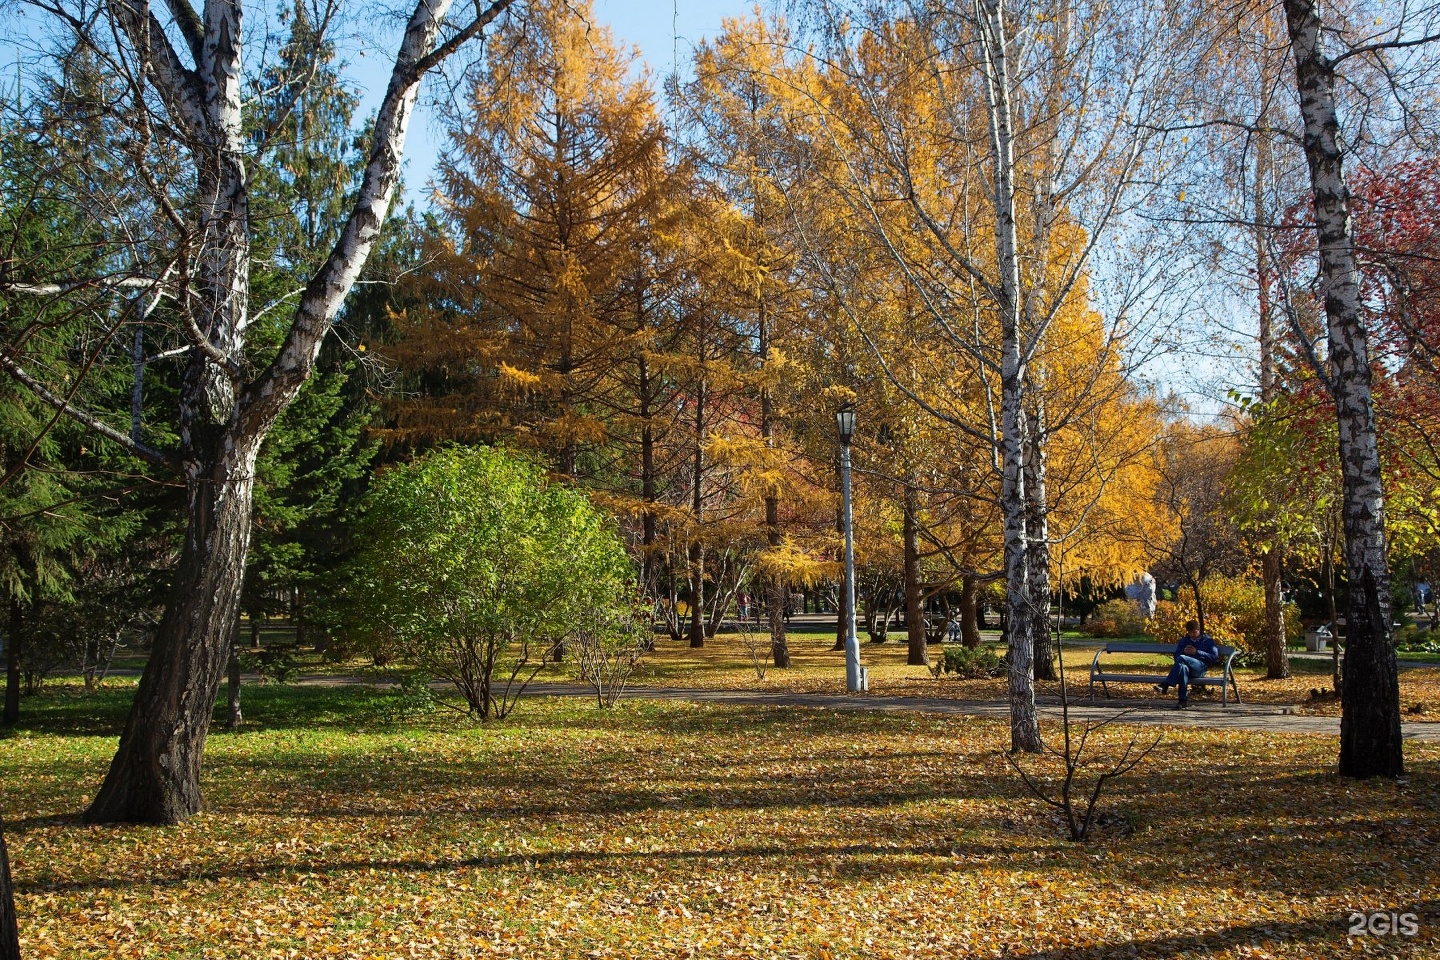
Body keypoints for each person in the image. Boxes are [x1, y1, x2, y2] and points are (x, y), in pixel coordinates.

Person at [1153, 620, 1219, 709]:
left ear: (1199, 630)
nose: (1192, 635)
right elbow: (1176, 656)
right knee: (1183, 668)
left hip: (1200, 668)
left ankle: (1166, 684)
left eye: (1194, 632)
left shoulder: (1208, 640)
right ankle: (1182, 701)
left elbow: (1214, 657)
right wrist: (1183, 651)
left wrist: (1197, 652)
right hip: (1187, 668)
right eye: (1190, 632)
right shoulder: (1184, 641)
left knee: (1182, 658)